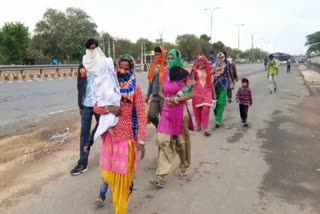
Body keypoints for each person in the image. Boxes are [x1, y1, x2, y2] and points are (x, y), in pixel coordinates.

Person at [94, 54, 147, 214]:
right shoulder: (110, 85)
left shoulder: (136, 89)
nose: (122, 71)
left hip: (126, 139)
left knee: (122, 181)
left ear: (131, 69)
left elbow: (142, 114)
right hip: (110, 137)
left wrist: (142, 141)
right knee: (107, 174)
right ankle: (125, 189)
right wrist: (110, 109)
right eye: (120, 67)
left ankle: (120, 209)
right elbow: (96, 107)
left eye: (126, 68)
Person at [150, 49, 194, 188]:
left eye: (172, 57)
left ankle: (184, 165)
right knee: (163, 141)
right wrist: (167, 98)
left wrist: (178, 99)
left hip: (180, 112)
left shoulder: (186, 75)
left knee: (180, 143)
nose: (169, 60)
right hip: (167, 112)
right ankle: (161, 177)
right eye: (168, 57)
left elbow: (193, 92)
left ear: (177, 58)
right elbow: (162, 91)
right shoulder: (167, 74)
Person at [71, 38, 102, 176]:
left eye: (94, 47)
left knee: (106, 128)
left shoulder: (103, 62)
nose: (92, 50)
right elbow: (80, 86)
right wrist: (80, 104)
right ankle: (82, 163)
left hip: (101, 103)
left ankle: (115, 157)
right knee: (84, 133)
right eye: (90, 48)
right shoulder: (83, 64)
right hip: (87, 104)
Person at [191, 55, 216, 136]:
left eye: (203, 61)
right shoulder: (194, 70)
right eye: (200, 61)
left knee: (206, 109)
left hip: (207, 92)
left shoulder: (209, 70)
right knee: (197, 110)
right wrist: (192, 81)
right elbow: (190, 81)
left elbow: (212, 83)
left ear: (206, 62)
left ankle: (206, 128)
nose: (201, 62)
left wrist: (214, 93)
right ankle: (198, 125)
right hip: (197, 92)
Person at [145, 46, 166, 128]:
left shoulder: (167, 66)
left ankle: (164, 133)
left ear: (162, 55)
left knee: (164, 116)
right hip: (154, 95)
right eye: (155, 55)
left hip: (164, 95)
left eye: (158, 54)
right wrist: (147, 95)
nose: (156, 56)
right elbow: (151, 82)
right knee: (151, 115)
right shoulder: (153, 66)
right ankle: (159, 127)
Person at [213, 52, 232, 128]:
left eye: (222, 58)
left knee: (221, 103)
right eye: (219, 57)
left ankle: (218, 120)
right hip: (214, 87)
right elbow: (209, 74)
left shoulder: (226, 66)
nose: (220, 59)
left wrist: (231, 83)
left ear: (224, 58)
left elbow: (229, 75)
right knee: (214, 104)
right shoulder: (213, 66)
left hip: (223, 86)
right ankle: (217, 116)